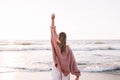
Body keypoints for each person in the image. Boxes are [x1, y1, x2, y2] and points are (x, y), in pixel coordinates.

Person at [50, 13, 81, 80]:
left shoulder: (56, 45)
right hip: (65, 73)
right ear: (65, 39)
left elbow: (53, 32)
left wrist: (52, 20)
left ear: (58, 38)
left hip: (56, 69)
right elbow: (73, 62)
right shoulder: (68, 49)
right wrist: (77, 74)